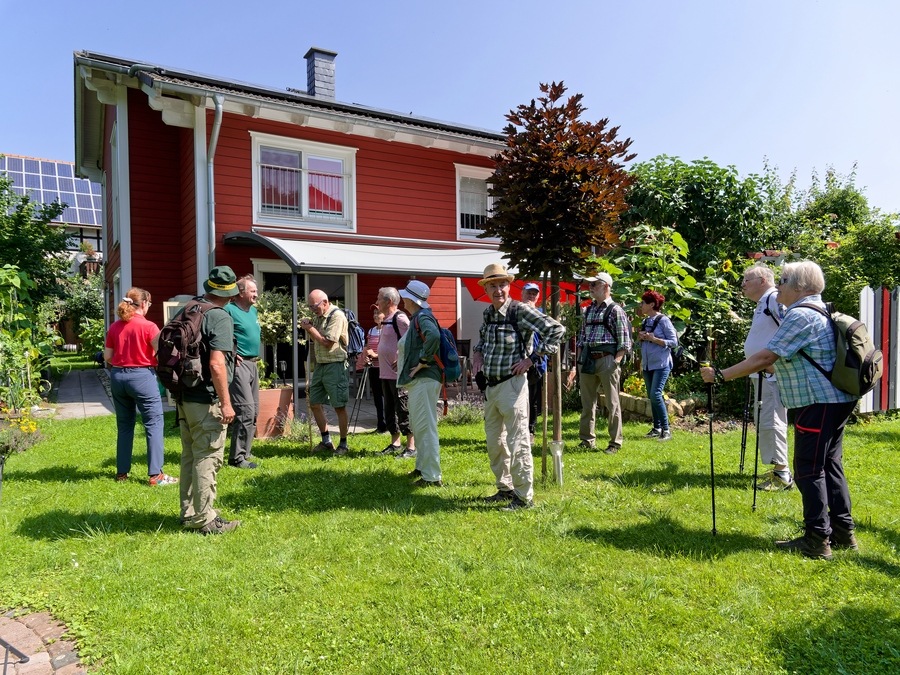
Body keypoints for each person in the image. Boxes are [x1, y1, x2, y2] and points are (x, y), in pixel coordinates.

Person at [701, 260, 860, 560]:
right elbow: (796, 357)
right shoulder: (818, 309)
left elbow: (765, 357)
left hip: (818, 402)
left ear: (800, 286)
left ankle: (817, 540)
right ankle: (842, 532)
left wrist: (720, 374)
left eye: (784, 280)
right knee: (829, 465)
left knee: (808, 469)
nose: (780, 286)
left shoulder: (800, 314)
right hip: (834, 399)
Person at [473, 264, 565, 510]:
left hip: (513, 386)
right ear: (486, 289)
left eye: (502, 284)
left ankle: (524, 498)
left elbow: (556, 329)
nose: (498, 289)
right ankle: (505, 489)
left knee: (518, 441)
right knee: (495, 442)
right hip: (491, 388)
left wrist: (532, 359)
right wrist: (477, 356)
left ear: (508, 286)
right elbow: (482, 339)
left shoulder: (520, 311)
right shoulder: (488, 314)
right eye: (492, 285)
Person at [178, 266, 241, 535]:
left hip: (184, 396)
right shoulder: (219, 316)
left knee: (190, 455)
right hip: (206, 399)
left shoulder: (190, 308)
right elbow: (216, 365)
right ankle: (206, 520)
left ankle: (190, 513)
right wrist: (226, 403)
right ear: (229, 295)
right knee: (208, 456)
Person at [104, 288, 177, 486]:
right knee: (153, 423)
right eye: (149, 304)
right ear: (143, 304)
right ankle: (156, 475)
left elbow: (107, 357)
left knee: (125, 425)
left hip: (118, 377)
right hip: (142, 377)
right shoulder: (149, 326)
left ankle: (122, 474)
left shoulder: (115, 327)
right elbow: (163, 354)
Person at [566, 272, 632, 454]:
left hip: (607, 360)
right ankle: (587, 440)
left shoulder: (616, 310)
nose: (590, 287)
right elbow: (581, 339)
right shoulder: (588, 310)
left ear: (606, 286)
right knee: (587, 403)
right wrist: (577, 364)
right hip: (587, 360)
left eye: (594, 284)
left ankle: (615, 443)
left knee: (612, 404)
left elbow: (625, 342)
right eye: (590, 284)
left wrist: (615, 363)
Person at [741, 264, 792, 491]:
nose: (742, 284)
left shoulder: (773, 299)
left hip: (770, 374)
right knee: (765, 418)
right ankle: (777, 468)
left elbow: (788, 329)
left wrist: (775, 364)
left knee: (773, 419)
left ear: (762, 280)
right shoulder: (764, 302)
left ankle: (782, 475)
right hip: (761, 373)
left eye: (746, 280)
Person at [396, 280, 443, 487]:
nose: (402, 299)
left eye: (404, 296)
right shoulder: (418, 317)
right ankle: (422, 468)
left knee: (425, 427)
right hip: (420, 381)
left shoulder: (423, 317)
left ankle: (432, 477)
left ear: (411, 299)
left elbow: (433, 336)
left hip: (425, 380)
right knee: (419, 425)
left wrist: (423, 361)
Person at [300, 290, 350, 456]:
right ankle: (326, 441)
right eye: (310, 307)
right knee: (314, 403)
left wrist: (310, 328)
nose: (313, 310)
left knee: (339, 406)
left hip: (335, 366)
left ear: (325, 302)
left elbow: (327, 342)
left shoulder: (337, 316)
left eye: (314, 306)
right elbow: (316, 338)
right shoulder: (318, 316)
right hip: (320, 365)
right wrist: (310, 328)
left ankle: (343, 444)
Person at [225, 274, 261, 469]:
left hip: (253, 364)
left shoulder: (253, 311)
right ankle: (236, 458)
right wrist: (231, 352)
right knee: (245, 410)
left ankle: (245, 452)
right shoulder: (229, 310)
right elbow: (220, 333)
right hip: (239, 366)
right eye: (253, 291)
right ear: (240, 292)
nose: (256, 294)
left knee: (254, 410)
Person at [374, 287, 415, 458]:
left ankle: (411, 447)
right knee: (389, 410)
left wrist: (402, 357)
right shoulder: (387, 319)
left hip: (398, 376)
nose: (376, 303)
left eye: (379, 299)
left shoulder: (400, 318)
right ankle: (395, 443)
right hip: (385, 373)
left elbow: (413, 340)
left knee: (403, 409)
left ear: (388, 302)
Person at [637, 290, 678, 442]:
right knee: (651, 396)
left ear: (652, 304)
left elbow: (674, 342)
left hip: (661, 364)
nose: (640, 305)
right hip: (648, 365)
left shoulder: (664, 320)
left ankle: (666, 430)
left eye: (643, 303)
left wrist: (655, 340)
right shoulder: (645, 321)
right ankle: (657, 428)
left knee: (655, 394)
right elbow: (640, 343)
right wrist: (641, 338)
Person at [521, 282, 549, 442]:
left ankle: (531, 431)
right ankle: (519, 427)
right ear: (522, 294)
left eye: (534, 293)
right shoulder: (517, 312)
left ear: (538, 297)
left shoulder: (541, 314)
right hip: (518, 360)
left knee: (532, 398)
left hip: (536, 362)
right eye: (528, 293)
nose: (531, 296)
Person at [358, 306, 387, 433]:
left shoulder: (388, 330)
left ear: (385, 314)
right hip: (374, 368)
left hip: (386, 368)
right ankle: (381, 425)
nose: (375, 315)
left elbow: (391, 351)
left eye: (378, 313)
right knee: (377, 398)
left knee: (387, 397)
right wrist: (367, 358)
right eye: (374, 313)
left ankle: (390, 424)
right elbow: (369, 347)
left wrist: (376, 355)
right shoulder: (371, 330)